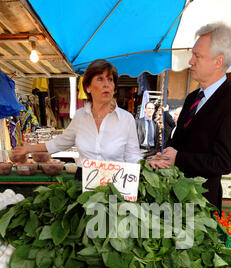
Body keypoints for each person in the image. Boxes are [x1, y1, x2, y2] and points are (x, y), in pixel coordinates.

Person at [149, 22, 231, 211]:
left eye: (198, 56)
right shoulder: (192, 98)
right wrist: (164, 157)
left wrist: (178, 158)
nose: (191, 61)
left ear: (218, 61)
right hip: (174, 197)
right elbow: (179, 142)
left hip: (200, 204)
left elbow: (224, 162)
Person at [13, 59, 141, 179]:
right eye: (100, 79)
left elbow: (133, 156)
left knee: (112, 204)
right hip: (84, 180)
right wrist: (29, 148)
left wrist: (150, 165)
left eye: (110, 80)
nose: (107, 85)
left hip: (116, 180)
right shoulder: (80, 116)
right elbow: (60, 143)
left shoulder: (126, 119)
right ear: (88, 88)